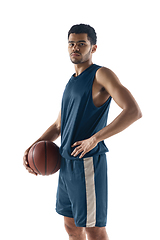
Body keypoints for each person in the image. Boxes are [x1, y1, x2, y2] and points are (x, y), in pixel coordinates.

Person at [23, 24, 142, 240]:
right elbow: (59, 126)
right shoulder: (71, 81)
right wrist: (33, 147)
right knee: (71, 227)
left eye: (81, 44)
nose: (75, 48)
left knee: (94, 231)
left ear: (93, 48)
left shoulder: (101, 75)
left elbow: (133, 111)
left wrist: (95, 139)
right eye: (71, 44)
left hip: (87, 163)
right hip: (66, 163)